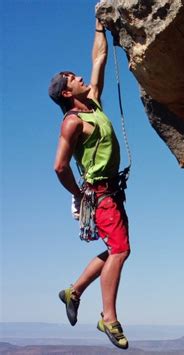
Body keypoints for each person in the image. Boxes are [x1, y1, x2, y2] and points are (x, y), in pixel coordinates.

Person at [48, 18, 130, 350]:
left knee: (115, 249)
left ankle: (73, 291)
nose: (81, 77)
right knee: (121, 251)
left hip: (111, 192)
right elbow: (60, 166)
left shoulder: (93, 103)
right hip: (100, 195)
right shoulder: (73, 123)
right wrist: (79, 193)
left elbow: (98, 59)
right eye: (73, 79)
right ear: (67, 93)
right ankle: (108, 318)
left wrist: (99, 28)